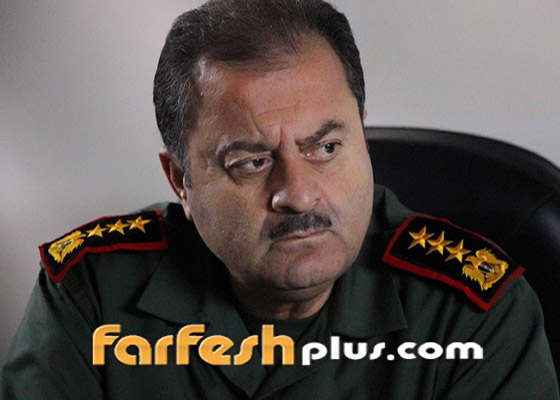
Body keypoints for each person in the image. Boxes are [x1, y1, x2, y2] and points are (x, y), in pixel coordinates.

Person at [2, 0, 558, 398]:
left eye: (326, 148)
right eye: (251, 162)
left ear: (362, 139)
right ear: (180, 181)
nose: (298, 194)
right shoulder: (91, 294)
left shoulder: (472, 314)